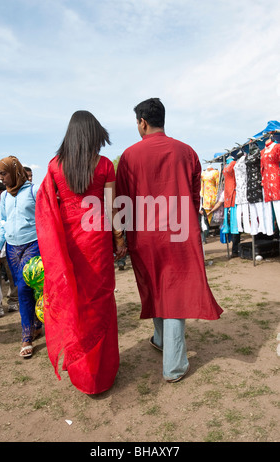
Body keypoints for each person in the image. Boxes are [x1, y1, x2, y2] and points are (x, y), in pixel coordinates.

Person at [116, 98, 223, 383]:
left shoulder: (128, 156)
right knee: (173, 288)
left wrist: (122, 238)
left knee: (156, 286)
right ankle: (167, 350)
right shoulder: (186, 152)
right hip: (180, 233)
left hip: (145, 236)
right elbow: (195, 195)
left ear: (142, 122)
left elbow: (121, 201)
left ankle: (171, 358)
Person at [35, 110, 126, 395]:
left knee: (76, 302)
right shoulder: (103, 167)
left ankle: (81, 372)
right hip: (97, 242)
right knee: (100, 304)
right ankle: (102, 373)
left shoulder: (54, 167)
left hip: (69, 246)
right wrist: (120, 239)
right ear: (92, 135)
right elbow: (112, 208)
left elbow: (47, 209)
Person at [0, 156, 42, 357]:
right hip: (12, 249)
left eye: (4, 174)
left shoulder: (33, 190)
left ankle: (30, 333)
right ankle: (31, 331)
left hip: (33, 245)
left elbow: (45, 217)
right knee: (23, 289)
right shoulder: (4, 197)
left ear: (14, 171)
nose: (1, 178)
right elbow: (3, 223)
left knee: (28, 288)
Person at [0, 181, 19, 315]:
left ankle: (13, 302)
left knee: (13, 278)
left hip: (9, 247)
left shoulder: (9, 205)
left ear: (0, 192)